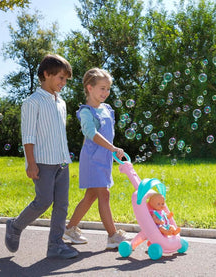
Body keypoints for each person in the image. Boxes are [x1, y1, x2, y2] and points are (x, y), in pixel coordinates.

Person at [5, 54, 78, 259]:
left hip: (62, 160)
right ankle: (15, 226)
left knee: (62, 205)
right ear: (46, 74)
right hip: (43, 162)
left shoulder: (61, 103)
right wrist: (31, 164)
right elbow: (28, 136)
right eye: (61, 78)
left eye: (65, 79)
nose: (64, 83)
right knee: (43, 201)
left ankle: (55, 245)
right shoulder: (32, 102)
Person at [63, 67, 129, 249]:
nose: (106, 92)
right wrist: (113, 148)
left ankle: (69, 229)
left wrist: (111, 150)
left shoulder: (107, 109)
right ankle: (112, 235)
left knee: (91, 196)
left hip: (104, 159)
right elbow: (91, 133)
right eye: (102, 88)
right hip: (92, 160)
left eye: (108, 88)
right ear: (89, 87)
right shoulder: (86, 112)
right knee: (104, 194)